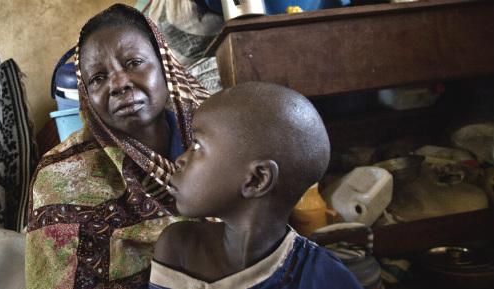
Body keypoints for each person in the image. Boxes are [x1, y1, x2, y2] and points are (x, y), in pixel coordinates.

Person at [23, 4, 209, 289]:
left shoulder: (212, 138)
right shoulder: (60, 178)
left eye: (134, 63)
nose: (119, 84)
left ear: (164, 65)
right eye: (98, 78)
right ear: (86, 95)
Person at [150, 82, 362, 289]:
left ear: (257, 180)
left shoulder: (324, 277)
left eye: (197, 146)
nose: (180, 160)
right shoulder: (180, 246)